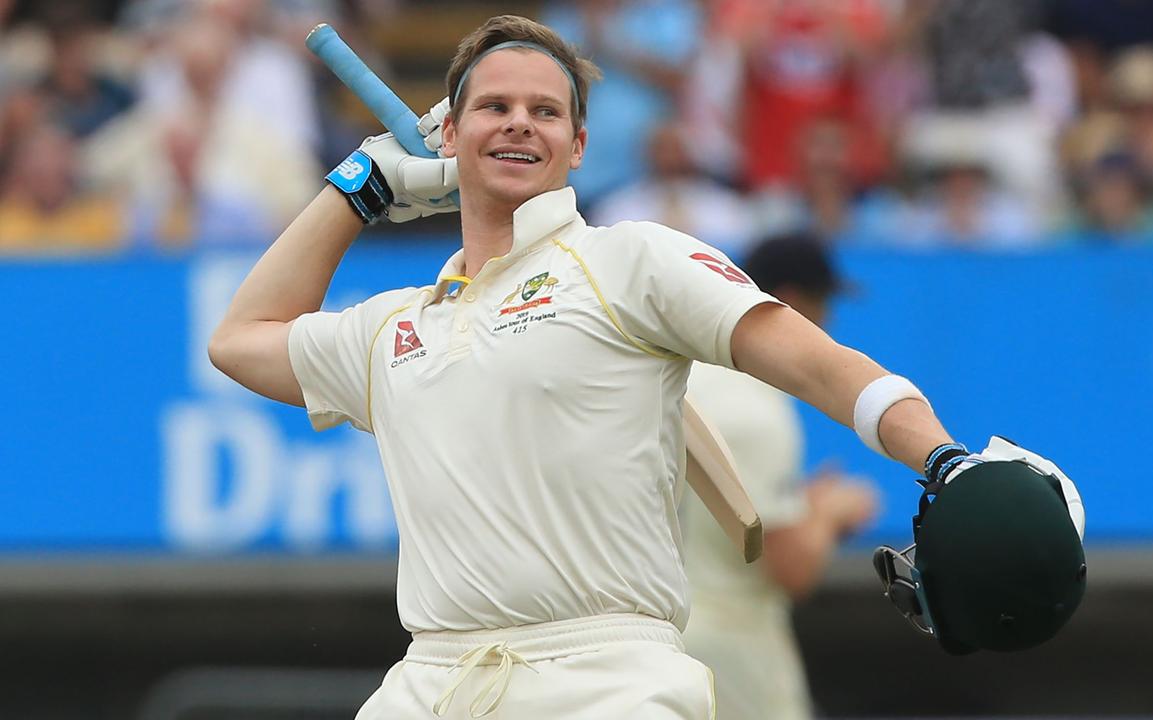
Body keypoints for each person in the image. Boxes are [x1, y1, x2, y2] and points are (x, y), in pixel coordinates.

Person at [208, 14, 1078, 719]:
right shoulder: (396, 325)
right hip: (431, 684)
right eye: (494, 106)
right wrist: (358, 187)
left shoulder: (631, 262)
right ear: (452, 134)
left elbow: (818, 365)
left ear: (579, 145)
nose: (518, 121)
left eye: (545, 111)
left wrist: (942, 458)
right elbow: (241, 338)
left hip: (607, 681)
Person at [679, 235, 880, 720]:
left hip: (654, 642)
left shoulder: (689, 377)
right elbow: (791, 567)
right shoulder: (757, 409)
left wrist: (801, 505)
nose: (827, 322)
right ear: (788, 302)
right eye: (821, 303)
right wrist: (830, 513)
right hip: (731, 648)